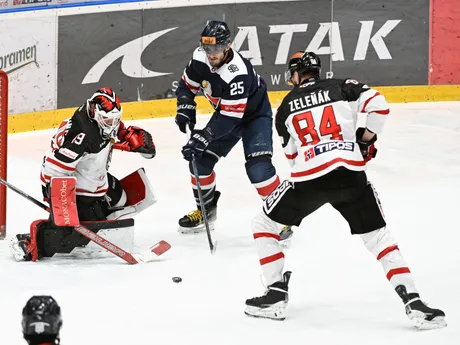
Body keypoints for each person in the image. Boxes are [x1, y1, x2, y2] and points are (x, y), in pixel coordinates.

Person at [244, 51, 446, 330]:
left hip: (309, 179)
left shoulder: (286, 107)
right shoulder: (342, 86)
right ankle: (414, 302)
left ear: (295, 74)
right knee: (378, 237)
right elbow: (380, 106)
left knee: (263, 224)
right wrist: (365, 140)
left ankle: (276, 294)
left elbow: (292, 158)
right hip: (351, 175)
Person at [175, 20, 292, 239]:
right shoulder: (200, 57)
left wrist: (205, 135)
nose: (211, 54)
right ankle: (206, 211)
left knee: (258, 170)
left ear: (227, 45)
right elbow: (186, 86)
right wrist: (185, 107)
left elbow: (229, 119)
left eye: (217, 48)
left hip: (254, 117)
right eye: (207, 47)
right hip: (227, 113)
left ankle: (281, 217)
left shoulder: (237, 73)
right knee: (199, 163)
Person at [9, 88, 157, 262]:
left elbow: (114, 127)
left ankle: (97, 215)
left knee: (122, 200)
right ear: (95, 113)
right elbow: (53, 168)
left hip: (95, 177)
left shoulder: (96, 116)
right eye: (109, 120)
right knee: (73, 234)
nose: (113, 124)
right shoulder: (82, 136)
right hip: (77, 189)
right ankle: (31, 242)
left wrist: (126, 135)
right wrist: (59, 202)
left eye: (115, 120)